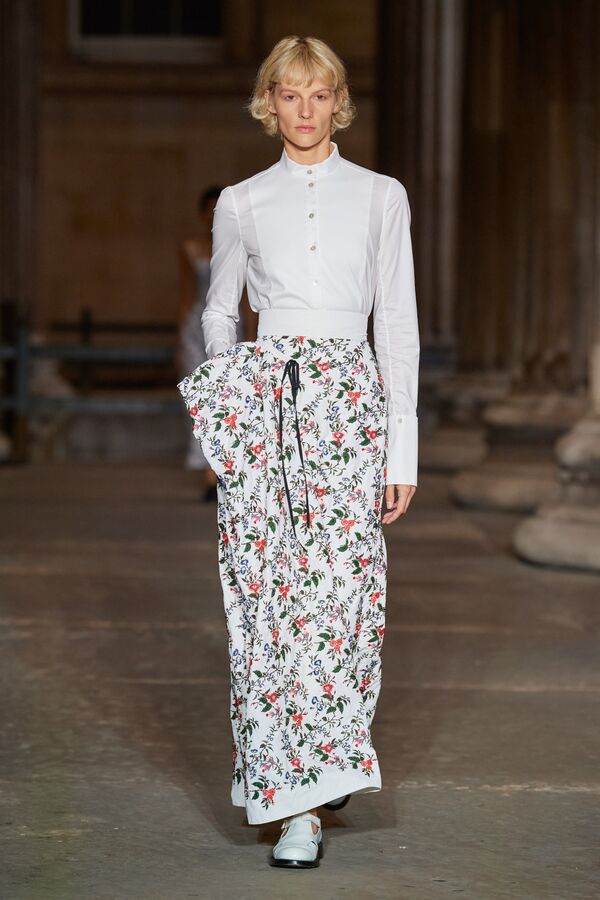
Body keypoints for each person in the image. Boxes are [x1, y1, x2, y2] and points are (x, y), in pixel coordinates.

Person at [177, 34, 419, 868]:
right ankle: (298, 806)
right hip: (270, 412)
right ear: (269, 102)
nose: (305, 110)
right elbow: (220, 310)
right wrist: (231, 402)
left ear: (339, 102)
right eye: (290, 94)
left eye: (320, 95)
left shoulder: (382, 196)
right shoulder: (242, 202)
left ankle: (329, 751)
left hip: (352, 413)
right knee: (271, 601)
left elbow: (397, 325)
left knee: (343, 599)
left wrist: (402, 451)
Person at [177, 186, 246, 500]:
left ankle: (218, 470)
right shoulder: (190, 249)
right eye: (210, 210)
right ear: (202, 213)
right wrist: (179, 339)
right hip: (196, 327)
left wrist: (252, 336)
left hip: (231, 324)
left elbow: (247, 297)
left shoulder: (241, 245)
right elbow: (185, 293)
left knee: (227, 395)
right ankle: (207, 466)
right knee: (199, 394)